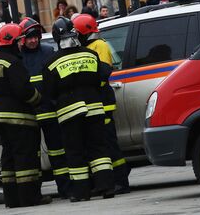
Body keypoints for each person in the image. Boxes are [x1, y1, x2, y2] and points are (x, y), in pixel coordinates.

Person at [42, 17, 115, 202]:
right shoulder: (90, 55)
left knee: (75, 151)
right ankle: (106, 187)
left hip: (69, 113)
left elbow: (49, 92)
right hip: (95, 108)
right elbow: (100, 79)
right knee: (99, 148)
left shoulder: (51, 62)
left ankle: (82, 193)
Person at [0, 23, 51, 208]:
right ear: (14, 41)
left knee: (8, 157)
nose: (22, 44)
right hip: (19, 117)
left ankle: (12, 199)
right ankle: (30, 198)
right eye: (20, 40)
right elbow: (24, 90)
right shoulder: (13, 63)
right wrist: (38, 99)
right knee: (25, 157)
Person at [72, 14, 130, 194]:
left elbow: (103, 72)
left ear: (83, 33)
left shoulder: (100, 45)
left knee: (109, 142)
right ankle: (106, 181)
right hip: (92, 102)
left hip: (102, 102)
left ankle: (121, 180)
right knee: (97, 145)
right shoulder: (87, 47)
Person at [19, 17, 70, 199]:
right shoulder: (19, 57)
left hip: (49, 110)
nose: (33, 41)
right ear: (23, 39)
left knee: (57, 150)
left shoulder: (48, 52)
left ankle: (65, 188)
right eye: (30, 38)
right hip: (30, 112)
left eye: (36, 37)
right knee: (33, 155)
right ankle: (36, 192)